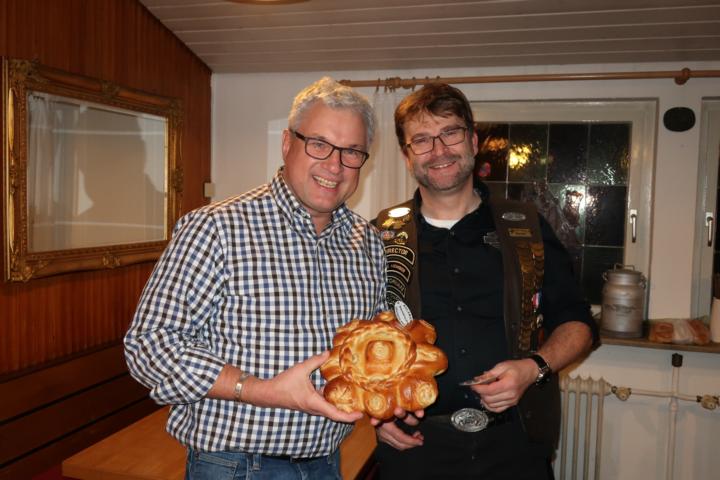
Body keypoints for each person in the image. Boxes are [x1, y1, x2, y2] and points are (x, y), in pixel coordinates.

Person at [124, 77, 387, 480]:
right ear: (287, 143)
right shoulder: (216, 228)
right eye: (319, 144)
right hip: (235, 467)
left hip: (327, 463)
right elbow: (149, 345)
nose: (335, 165)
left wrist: (390, 403)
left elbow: (370, 350)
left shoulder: (368, 242)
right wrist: (258, 389)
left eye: (351, 151)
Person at [372, 83, 599, 479]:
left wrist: (534, 367)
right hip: (414, 449)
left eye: (450, 133)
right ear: (407, 156)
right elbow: (359, 339)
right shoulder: (379, 236)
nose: (439, 150)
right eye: (421, 140)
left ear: (473, 142)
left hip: (515, 446)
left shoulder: (527, 228)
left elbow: (578, 323)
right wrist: (375, 413)